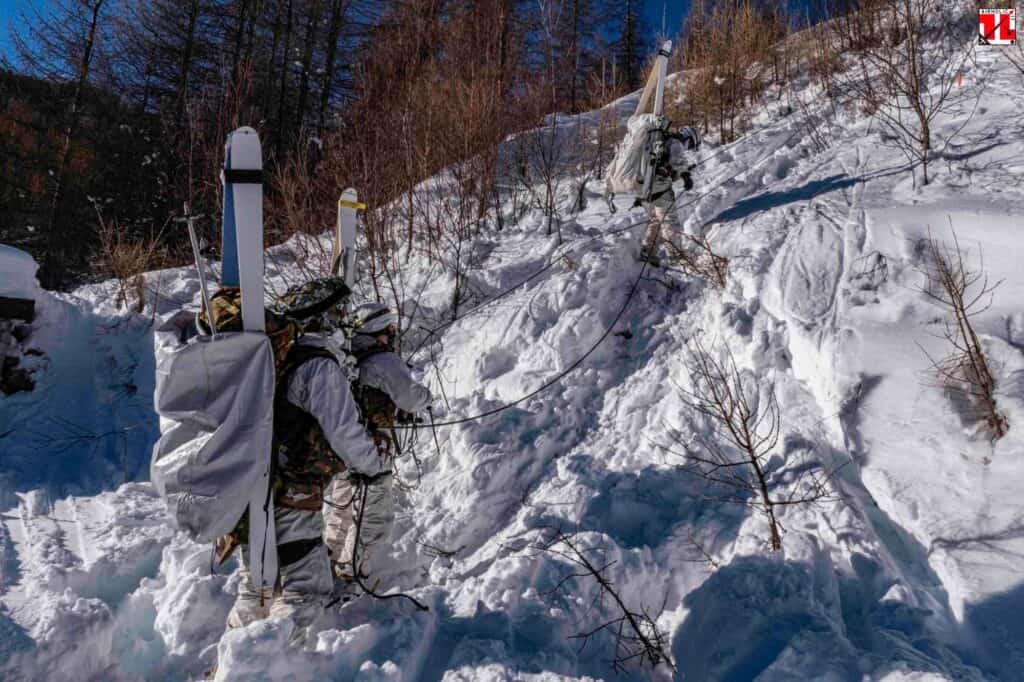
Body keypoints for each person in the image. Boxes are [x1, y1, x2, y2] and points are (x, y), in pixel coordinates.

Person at [224, 277, 385, 643]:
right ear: (323, 318)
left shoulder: (275, 359)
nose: (344, 320)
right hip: (292, 498)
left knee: (256, 590)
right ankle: (259, 666)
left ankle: (225, 664)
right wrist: (373, 468)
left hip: (252, 492)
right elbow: (344, 432)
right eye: (339, 312)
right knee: (304, 591)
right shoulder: (319, 367)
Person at [324, 302, 432, 593]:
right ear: (380, 329)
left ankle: (327, 560)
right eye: (390, 328)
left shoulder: (347, 359)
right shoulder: (384, 360)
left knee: (342, 508)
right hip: (374, 448)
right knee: (373, 513)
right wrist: (426, 397)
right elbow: (411, 397)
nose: (392, 334)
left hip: (346, 446)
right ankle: (351, 574)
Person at [640, 122, 701, 266]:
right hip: (659, 186)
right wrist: (686, 176)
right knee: (670, 219)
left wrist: (682, 173)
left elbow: (669, 168)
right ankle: (677, 256)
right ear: (689, 139)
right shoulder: (676, 142)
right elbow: (678, 163)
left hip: (645, 185)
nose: (688, 148)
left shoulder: (662, 140)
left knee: (655, 219)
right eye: (691, 145)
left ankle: (648, 252)